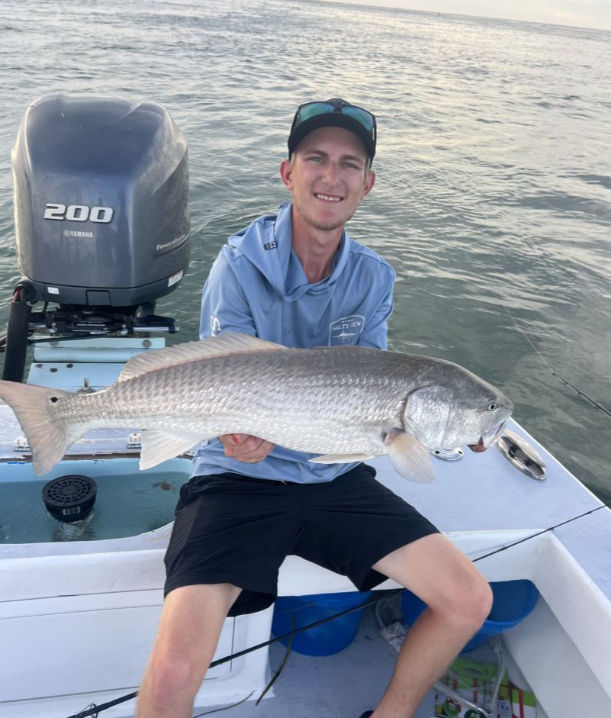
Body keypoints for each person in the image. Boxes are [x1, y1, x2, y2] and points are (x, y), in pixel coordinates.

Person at [136, 99, 492, 718]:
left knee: (469, 599)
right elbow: (219, 378)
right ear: (288, 172)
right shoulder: (239, 263)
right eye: (317, 159)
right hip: (238, 477)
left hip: (333, 473)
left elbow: (378, 389)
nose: (333, 177)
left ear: (367, 183)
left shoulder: (375, 278)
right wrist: (235, 439)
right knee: (172, 668)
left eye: (350, 164)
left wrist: (457, 424)